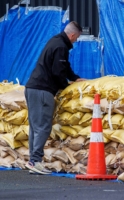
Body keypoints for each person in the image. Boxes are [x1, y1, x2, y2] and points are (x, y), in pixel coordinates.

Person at [25, 21, 85, 175]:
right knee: (43, 127)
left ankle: (33, 161)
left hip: (32, 88)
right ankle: (35, 161)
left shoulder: (55, 41)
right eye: (77, 37)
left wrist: (74, 77)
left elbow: (64, 66)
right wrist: (66, 87)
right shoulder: (61, 46)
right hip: (42, 91)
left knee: (35, 127)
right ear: (72, 35)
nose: (76, 40)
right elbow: (58, 71)